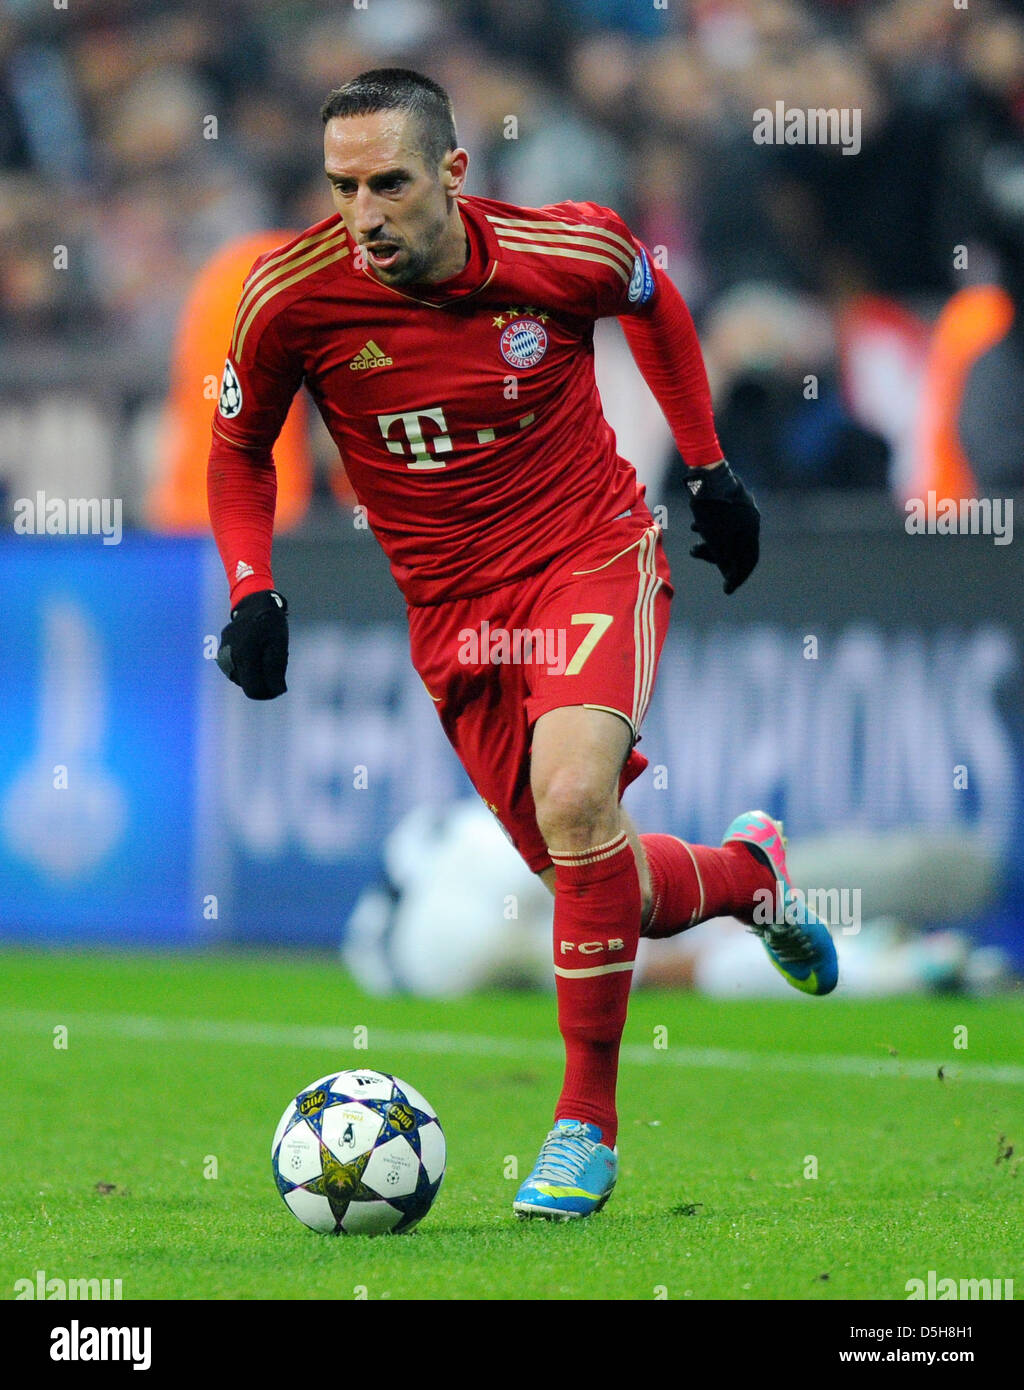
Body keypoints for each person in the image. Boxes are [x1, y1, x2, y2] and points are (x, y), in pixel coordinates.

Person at [208, 68, 838, 1223]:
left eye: (389, 182)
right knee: (597, 880)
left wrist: (707, 467)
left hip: (586, 553)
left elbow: (655, 306)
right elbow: (241, 448)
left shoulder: (570, 250)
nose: (365, 214)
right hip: (452, 615)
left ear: (453, 172)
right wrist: (252, 588)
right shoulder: (290, 295)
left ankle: (582, 1128)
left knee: (573, 797)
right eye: (343, 186)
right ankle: (751, 877)